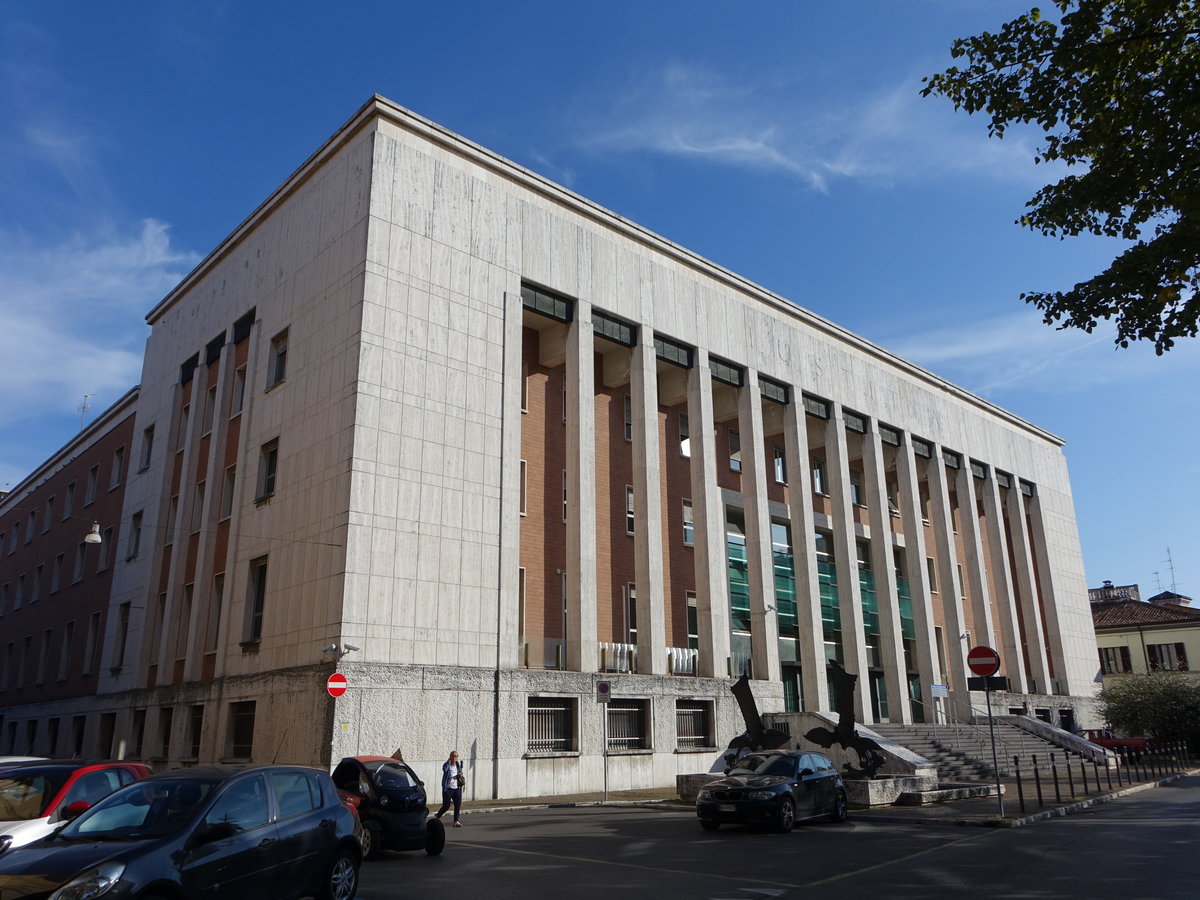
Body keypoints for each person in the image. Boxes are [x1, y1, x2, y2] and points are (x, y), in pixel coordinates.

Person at [434, 750, 465, 827]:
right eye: (453, 756)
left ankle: (455, 821)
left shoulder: (457, 765)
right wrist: (448, 762)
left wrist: (460, 775)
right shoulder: (447, 764)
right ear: (450, 757)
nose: (454, 757)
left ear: (457, 758)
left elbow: (460, 772)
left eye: (456, 756)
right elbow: (444, 769)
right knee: (446, 806)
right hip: (447, 788)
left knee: (458, 804)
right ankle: (438, 815)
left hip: (455, 788)